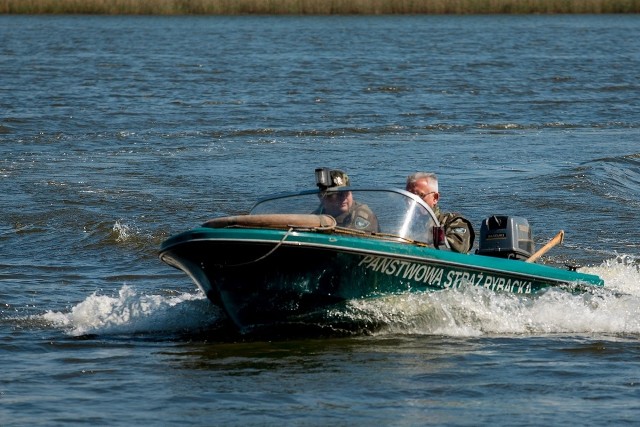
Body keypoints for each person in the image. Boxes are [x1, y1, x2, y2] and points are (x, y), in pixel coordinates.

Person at [405, 172, 475, 253]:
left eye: (420, 196)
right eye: (408, 196)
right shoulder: (404, 224)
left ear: (435, 198)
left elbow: (457, 248)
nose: (412, 201)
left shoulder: (453, 222)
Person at [313, 168, 379, 233]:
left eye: (346, 192)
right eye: (337, 194)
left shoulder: (363, 215)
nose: (343, 198)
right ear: (323, 198)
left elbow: (355, 240)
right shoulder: (317, 214)